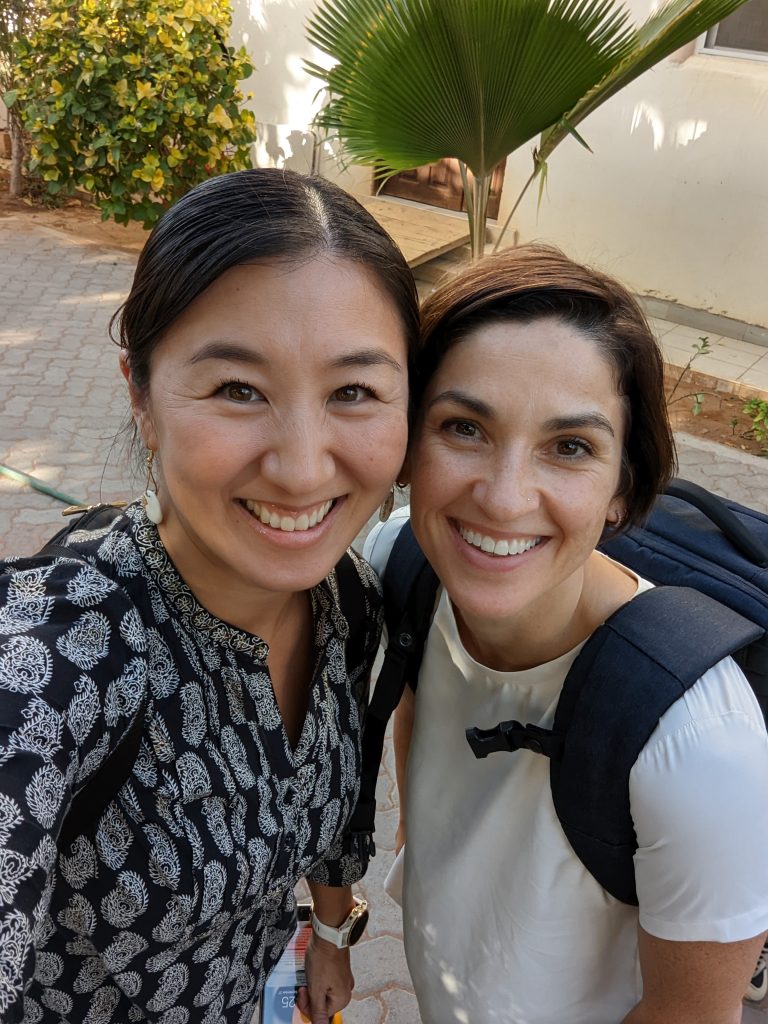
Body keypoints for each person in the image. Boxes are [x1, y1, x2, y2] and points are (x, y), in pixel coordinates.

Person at [0, 168, 417, 1024]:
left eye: (353, 392)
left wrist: (331, 935)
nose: (302, 468)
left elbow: (338, 812)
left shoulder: (350, 601)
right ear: (141, 396)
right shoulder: (55, 660)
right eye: (237, 389)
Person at [364, 244, 768, 1024]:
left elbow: (688, 1015)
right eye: (464, 427)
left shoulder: (699, 743)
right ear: (407, 444)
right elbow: (415, 691)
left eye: (571, 447)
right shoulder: (405, 564)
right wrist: (418, 844)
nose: (505, 498)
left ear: (622, 490)